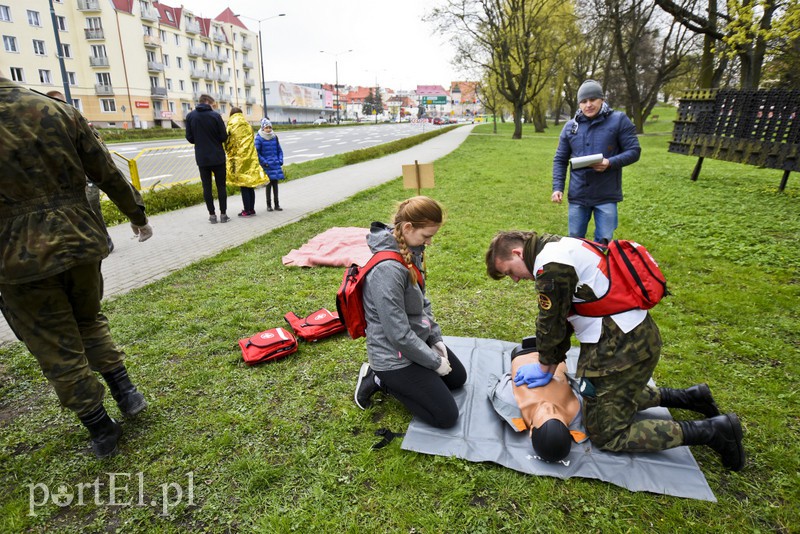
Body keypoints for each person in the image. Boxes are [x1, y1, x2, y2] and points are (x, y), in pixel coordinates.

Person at [485, 231, 745, 470]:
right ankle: (690, 397)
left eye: (510, 272)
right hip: (632, 340)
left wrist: (544, 366)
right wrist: (550, 363)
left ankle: (713, 431)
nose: (516, 279)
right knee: (598, 401)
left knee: (606, 433)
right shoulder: (559, 246)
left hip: (618, 350)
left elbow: (550, 322)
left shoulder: (550, 265)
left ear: (518, 253)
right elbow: (564, 317)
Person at [0, 72, 153, 458]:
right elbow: (105, 170)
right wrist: (137, 215)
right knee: (88, 319)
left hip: (17, 259)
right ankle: (126, 392)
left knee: (54, 344)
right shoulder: (58, 110)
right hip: (80, 239)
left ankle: (101, 427)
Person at [354, 196, 467, 428]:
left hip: (415, 341)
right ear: (407, 228)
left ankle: (418, 370)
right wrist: (434, 362)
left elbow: (423, 301)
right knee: (445, 417)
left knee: (457, 379)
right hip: (392, 356)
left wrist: (435, 339)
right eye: (427, 236)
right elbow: (397, 335)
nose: (430, 242)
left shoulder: (411, 249)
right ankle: (378, 378)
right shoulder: (387, 270)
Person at [551, 80, 641, 244]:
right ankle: (577, 269)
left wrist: (610, 162)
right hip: (578, 194)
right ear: (579, 104)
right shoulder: (571, 126)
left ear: (602, 99)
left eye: (593, 99)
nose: (588, 105)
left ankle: (602, 269)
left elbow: (634, 151)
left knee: (604, 243)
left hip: (606, 195)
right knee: (575, 241)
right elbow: (560, 159)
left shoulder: (619, 120)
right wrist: (557, 187)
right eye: (584, 101)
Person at [489, 341, 586, 463]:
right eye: (556, 411)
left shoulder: (510, 404)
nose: (550, 407)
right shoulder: (577, 410)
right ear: (568, 428)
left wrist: (514, 375)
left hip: (522, 352)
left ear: (531, 431)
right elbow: (579, 385)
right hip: (556, 352)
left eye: (545, 413)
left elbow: (498, 384)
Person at [46, 90, 116, 252]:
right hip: (64, 180)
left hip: (87, 176)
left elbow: (100, 152)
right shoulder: (42, 126)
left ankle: (104, 238)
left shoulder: (78, 122)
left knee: (91, 205)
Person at [185, 94, 229, 224]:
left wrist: (200, 141)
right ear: (208, 102)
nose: (213, 106)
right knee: (221, 186)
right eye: (213, 104)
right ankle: (223, 214)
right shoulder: (215, 116)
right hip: (218, 157)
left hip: (202, 158)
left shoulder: (190, 116)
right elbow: (223, 137)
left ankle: (212, 215)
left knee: (207, 187)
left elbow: (190, 138)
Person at [223, 107, 267, 217]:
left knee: (243, 185)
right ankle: (251, 209)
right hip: (250, 158)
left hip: (239, 159)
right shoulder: (247, 124)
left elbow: (227, 142)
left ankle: (246, 210)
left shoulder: (231, 124)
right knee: (250, 184)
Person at [254, 119, 285, 212]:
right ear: (263, 128)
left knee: (275, 185)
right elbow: (257, 152)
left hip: (275, 164)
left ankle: (277, 204)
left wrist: (280, 160)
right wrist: (264, 162)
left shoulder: (274, 137)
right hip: (267, 165)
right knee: (268, 185)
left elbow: (279, 150)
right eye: (266, 127)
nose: (268, 129)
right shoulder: (259, 138)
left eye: (269, 127)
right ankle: (269, 205)